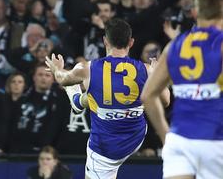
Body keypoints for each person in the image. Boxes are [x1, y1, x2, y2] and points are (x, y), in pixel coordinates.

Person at [45, 18, 169, 179]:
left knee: (95, 90)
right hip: (136, 135)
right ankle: (81, 101)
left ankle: (79, 101)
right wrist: (157, 75)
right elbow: (165, 101)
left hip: (106, 148)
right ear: (131, 42)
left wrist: (57, 69)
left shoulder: (86, 68)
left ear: (105, 41)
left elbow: (62, 79)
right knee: (100, 94)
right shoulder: (146, 70)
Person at [142, 0, 223, 179]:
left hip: (179, 141)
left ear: (195, 12)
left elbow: (147, 95)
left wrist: (165, 137)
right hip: (215, 141)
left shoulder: (175, 45)